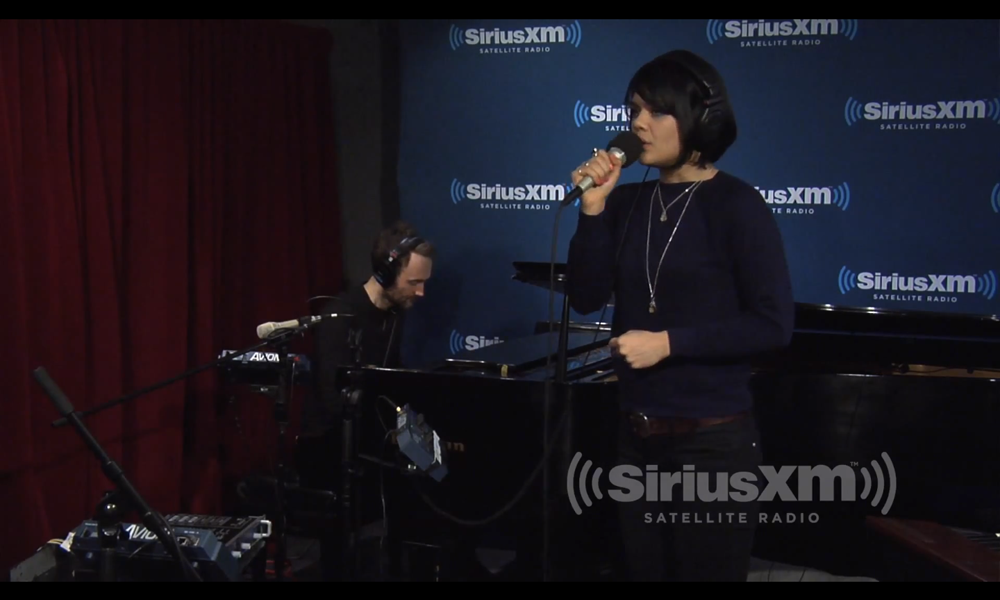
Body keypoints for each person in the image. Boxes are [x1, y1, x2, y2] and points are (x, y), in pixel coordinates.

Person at [564, 49, 795, 582]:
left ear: (700, 118)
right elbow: (585, 296)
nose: (638, 124)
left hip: (712, 445)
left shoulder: (737, 204)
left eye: (657, 111)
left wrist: (669, 343)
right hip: (635, 439)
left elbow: (772, 323)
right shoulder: (625, 203)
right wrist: (592, 210)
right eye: (634, 110)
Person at [296, 220, 434, 580]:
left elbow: (392, 383)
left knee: (437, 466)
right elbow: (333, 400)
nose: (421, 293)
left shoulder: (394, 314)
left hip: (370, 435)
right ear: (386, 272)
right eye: (414, 282)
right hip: (329, 445)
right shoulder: (339, 317)